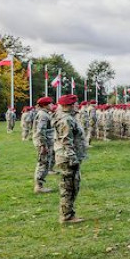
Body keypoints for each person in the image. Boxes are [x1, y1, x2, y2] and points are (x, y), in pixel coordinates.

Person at [53, 94, 88, 224]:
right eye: (74, 104)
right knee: (68, 187)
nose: (77, 105)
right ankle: (66, 216)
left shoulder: (69, 117)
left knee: (72, 185)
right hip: (67, 158)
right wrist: (73, 157)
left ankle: (69, 213)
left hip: (68, 156)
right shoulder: (66, 119)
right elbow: (66, 140)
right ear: (69, 106)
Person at [32, 97, 55, 193]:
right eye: (50, 104)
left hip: (45, 142)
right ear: (45, 105)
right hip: (44, 143)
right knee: (43, 163)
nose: (52, 105)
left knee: (45, 163)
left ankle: (39, 185)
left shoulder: (44, 114)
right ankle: (39, 186)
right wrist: (43, 145)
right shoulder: (43, 115)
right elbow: (41, 130)